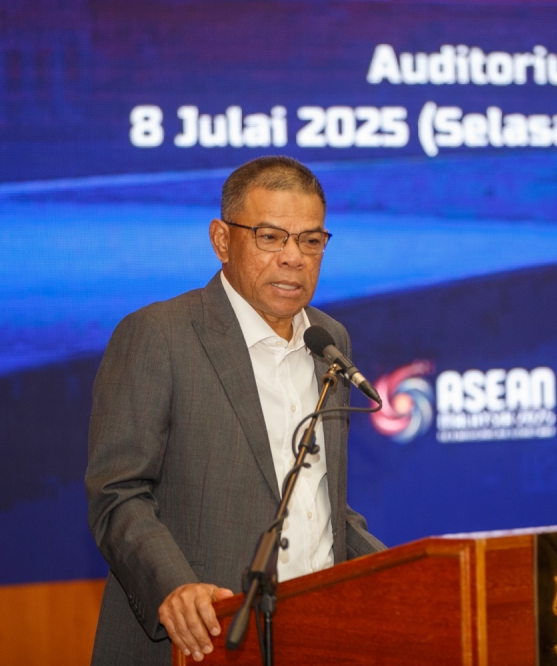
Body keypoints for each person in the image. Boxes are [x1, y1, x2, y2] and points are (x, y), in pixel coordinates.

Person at [85, 156, 386, 665]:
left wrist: (403, 574)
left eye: (311, 240)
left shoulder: (328, 340)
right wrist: (174, 588)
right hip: (202, 640)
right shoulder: (160, 335)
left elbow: (319, 504)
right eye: (270, 237)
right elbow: (118, 493)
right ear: (222, 241)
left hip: (314, 634)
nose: (293, 258)